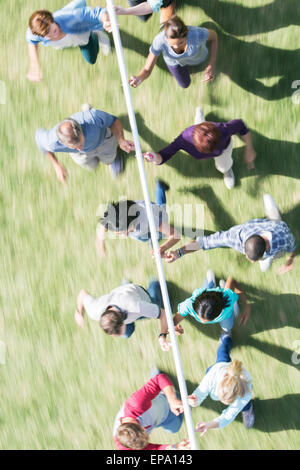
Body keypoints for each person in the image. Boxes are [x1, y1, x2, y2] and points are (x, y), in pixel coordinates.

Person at [165, 194, 297, 274]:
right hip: (268, 232)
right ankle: (272, 214)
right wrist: (179, 253)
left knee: (277, 224)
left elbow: (292, 245)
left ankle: (273, 213)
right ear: (245, 243)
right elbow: (202, 243)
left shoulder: (282, 238)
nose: (250, 262)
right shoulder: (234, 237)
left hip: (276, 226)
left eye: (252, 259)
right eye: (250, 257)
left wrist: (290, 259)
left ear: (267, 247)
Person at [143, 107, 257, 189]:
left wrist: (249, 148)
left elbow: (241, 125)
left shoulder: (223, 129)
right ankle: (200, 118)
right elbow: (163, 156)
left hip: (224, 149)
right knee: (200, 124)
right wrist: (153, 157)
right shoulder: (183, 139)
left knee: (223, 166)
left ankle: (226, 170)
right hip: (201, 129)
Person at [35, 104, 134, 182]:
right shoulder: (51, 142)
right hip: (79, 155)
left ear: (81, 130)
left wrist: (121, 140)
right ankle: (87, 109)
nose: (80, 147)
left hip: (103, 139)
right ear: (63, 143)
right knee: (92, 166)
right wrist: (56, 165)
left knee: (108, 159)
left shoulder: (93, 118)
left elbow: (113, 121)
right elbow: (39, 140)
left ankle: (113, 158)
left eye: (81, 143)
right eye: (75, 146)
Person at [74, 279, 177, 351]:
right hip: (120, 296)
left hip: (138, 295)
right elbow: (82, 294)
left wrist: (162, 335)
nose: (116, 337)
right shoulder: (94, 311)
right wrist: (79, 312)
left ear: (123, 322)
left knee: (159, 304)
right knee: (127, 333)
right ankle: (124, 285)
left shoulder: (137, 307)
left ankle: (153, 283)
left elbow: (163, 314)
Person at [26, 0, 112, 83]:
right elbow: (31, 41)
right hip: (67, 37)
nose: (54, 36)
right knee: (60, 44)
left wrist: (106, 21)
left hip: (80, 34)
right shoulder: (38, 32)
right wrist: (35, 66)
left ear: (52, 20)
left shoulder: (72, 17)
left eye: (54, 31)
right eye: (48, 35)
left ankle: (95, 33)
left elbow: (98, 13)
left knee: (91, 60)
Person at [96, 179, 181, 258]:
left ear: (131, 224)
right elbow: (103, 224)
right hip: (140, 228)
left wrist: (162, 248)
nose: (117, 234)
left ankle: (160, 187)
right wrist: (101, 242)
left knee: (161, 210)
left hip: (157, 215)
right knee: (145, 238)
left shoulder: (150, 220)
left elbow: (175, 234)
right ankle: (151, 239)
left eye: (120, 231)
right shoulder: (113, 215)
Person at [188, 333, 254, 432]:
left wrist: (208, 425)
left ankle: (247, 409)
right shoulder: (213, 375)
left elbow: (227, 417)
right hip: (219, 367)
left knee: (244, 404)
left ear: (238, 394)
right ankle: (226, 339)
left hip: (234, 380)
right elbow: (200, 392)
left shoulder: (246, 392)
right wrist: (195, 399)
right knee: (222, 353)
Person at [129, 16, 218, 89]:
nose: (177, 47)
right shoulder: (159, 40)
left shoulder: (196, 34)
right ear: (166, 38)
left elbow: (214, 37)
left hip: (198, 57)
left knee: (198, 62)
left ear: (187, 35)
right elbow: (147, 69)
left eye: (181, 43)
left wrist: (211, 64)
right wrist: (140, 78)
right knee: (185, 84)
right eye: (172, 44)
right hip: (174, 63)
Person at [113, 369, 191, 450]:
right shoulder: (125, 445)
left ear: (143, 428)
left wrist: (172, 400)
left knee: (174, 395)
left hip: (164, 402)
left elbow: (159, 379)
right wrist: (173, 447)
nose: (147, 431)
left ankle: (158, 381)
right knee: (175, 428)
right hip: (161, 419)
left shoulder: (136, 404)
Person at [172, 270, 251, 337]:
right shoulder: (189, 304)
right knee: (208, 286)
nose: (202, 322)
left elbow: (231, 280)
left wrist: (247, 306)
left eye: (205, 320)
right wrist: (172, 328)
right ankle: (210, 281)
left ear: (220, 311)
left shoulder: (228, 299)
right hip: (206, 292)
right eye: (199, 317)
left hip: (225, 313)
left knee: (227, 327)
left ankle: (214, 284)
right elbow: (176, 318)